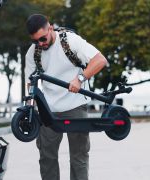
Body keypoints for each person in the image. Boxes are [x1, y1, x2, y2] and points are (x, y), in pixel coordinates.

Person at [24, 14, 108, 180]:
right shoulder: (33, 52)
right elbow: (30, 84)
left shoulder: (70, 41)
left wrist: (80, 79)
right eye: (36, 41)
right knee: (47, 157)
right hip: (48, 110)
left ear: (50, 27)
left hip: (75, 106)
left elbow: (100, 60)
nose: (40, 43)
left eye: (43, 38)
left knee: (79, 157)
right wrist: (30, 109)